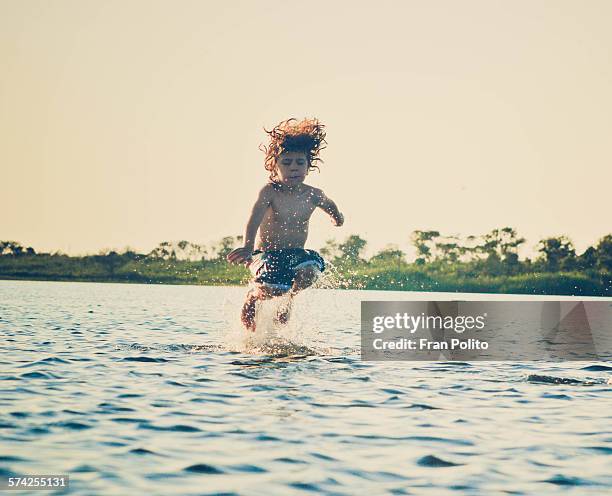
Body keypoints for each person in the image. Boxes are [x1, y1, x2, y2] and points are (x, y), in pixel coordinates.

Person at [227, 118, 344, 331]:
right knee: (272, 289)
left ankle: (290, 299)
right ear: (274, 165)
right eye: (286, 163)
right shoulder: (269, 192)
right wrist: (247, 247)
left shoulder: (313, 195)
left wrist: (337, 217)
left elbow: (330, 204)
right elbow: (253, 219)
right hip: (265, 255)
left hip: (295, 254)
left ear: (308, 166)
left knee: (310, 270)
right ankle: (252, 297)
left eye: (300, 163)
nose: (293, 168)